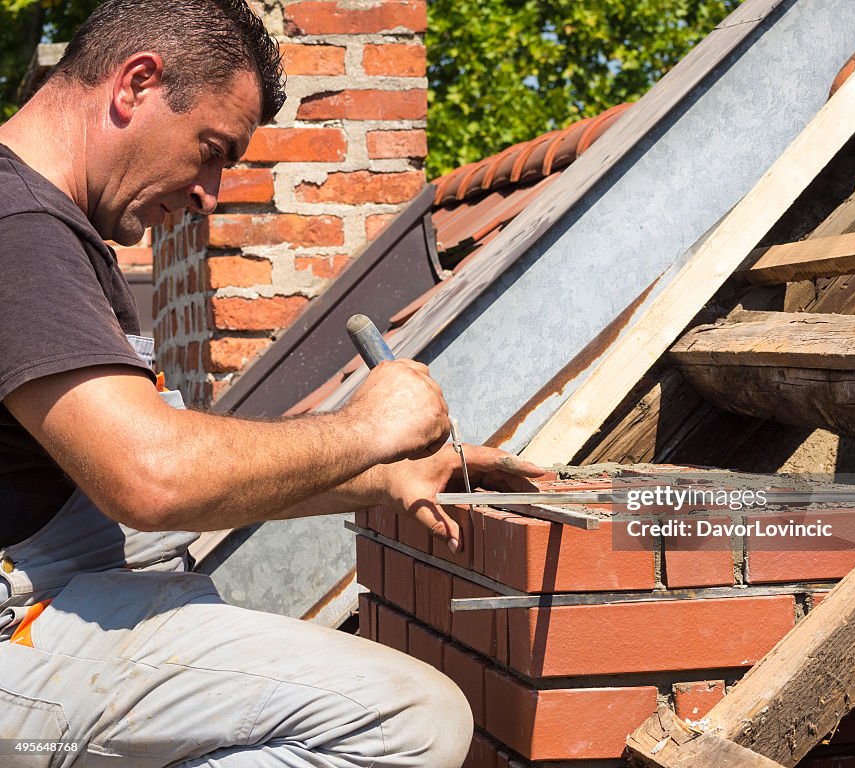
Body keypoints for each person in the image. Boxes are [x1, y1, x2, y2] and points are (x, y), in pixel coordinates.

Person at [0, 1, 543, 765]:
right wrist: (365, 428)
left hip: (74, 600)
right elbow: (152, 478)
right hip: (26, 629)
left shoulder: (56, 230)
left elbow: (162, 478)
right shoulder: (18, 228)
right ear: (137, 85)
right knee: (407, 721)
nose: (210, 192)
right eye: (212, 148)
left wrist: (382, 477)